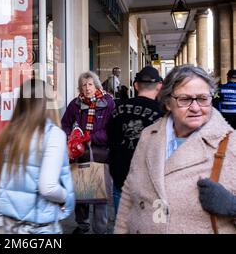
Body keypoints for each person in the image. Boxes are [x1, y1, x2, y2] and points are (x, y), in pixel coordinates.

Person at [115, 65, 236, 234]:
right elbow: (129, 193)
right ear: (168, 102)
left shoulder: (231, 144)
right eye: (185, 99)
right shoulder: (149, 136)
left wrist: (232, 206)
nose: (195, 107)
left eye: (202, 99)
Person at [0, 79, 75, 234]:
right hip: (39, 227)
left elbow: (0, 179)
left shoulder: (7, 134)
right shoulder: (53, 135)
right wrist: (66, 196)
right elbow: (48, 188)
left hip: (11, 224)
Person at [62, 71, 115, 234]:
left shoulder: (108, 103)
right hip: (79, 154)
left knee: (100, 195)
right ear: (80, 87)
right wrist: (70, 138)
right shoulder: (75, 104)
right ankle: (82, 226)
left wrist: (89, 137)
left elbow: (111, 131)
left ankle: (100, 229)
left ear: (97, 85)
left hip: (100, 154)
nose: (87, 88)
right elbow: (65, 124)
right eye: (84, 85)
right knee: (81, 193)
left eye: (90, 84)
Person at [108, 66, 163, 215]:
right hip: (151, 183)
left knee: (122, 226)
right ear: (159, 86)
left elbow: (110, 141)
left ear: (136, 85)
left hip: (121, 177)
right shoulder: (163, 113)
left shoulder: (118, 108)